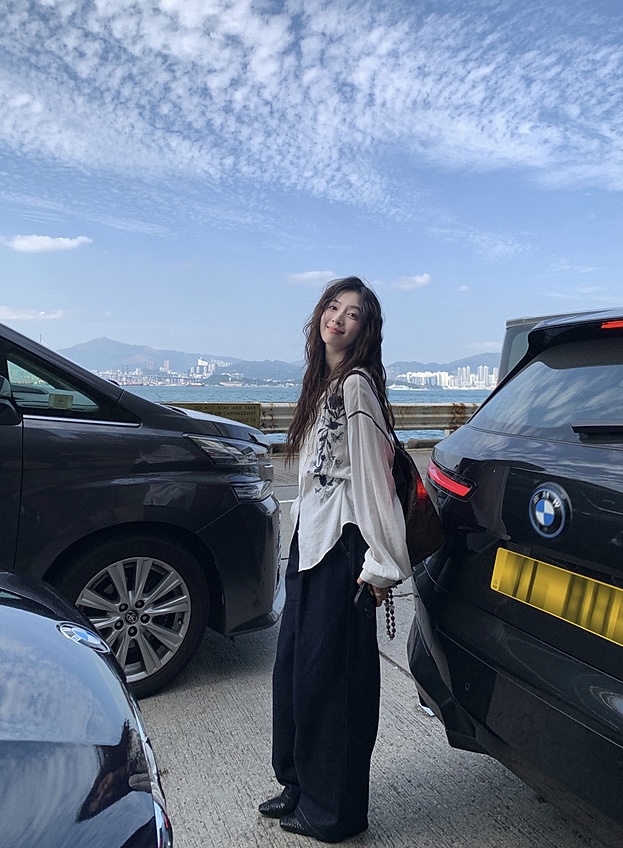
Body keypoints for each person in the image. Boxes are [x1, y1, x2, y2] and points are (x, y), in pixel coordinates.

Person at [259, 276, 411, 842]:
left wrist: (382, 565)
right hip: (311, 542)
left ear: (365, 330)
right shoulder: (322, 383)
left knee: (334, 681)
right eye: (332, 306)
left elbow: (375, 481)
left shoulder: (356, 388)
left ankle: (334, 811)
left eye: (352, 313)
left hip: (345, 547)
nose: (338, 318)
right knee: (295, 671)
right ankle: (299, 783)